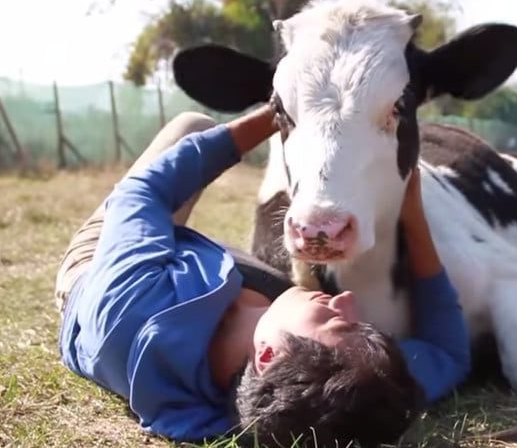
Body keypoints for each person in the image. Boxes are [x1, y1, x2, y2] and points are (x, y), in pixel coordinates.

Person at [55, 103, 471, 447]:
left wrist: (273, 116)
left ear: (270, 356)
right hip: (213, 283)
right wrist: (413, 219)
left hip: (96, 270)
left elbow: (143, 193)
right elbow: (449, 354)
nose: (347, 302)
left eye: (335, 318)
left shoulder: (135, 298)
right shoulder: (336, 399)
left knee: (192, 125)